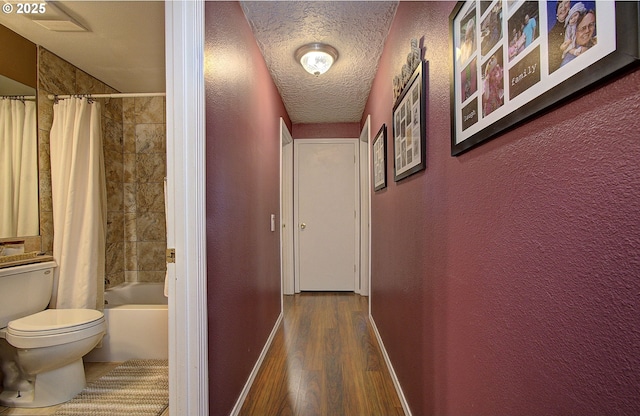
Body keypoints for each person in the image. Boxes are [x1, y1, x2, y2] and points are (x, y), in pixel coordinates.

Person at [548, 0, 571, 73]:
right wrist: (560, 50)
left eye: (566, 4)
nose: (563, 8)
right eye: (560, 7)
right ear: (557, 13)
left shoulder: (575, 22)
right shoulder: (552, 33)